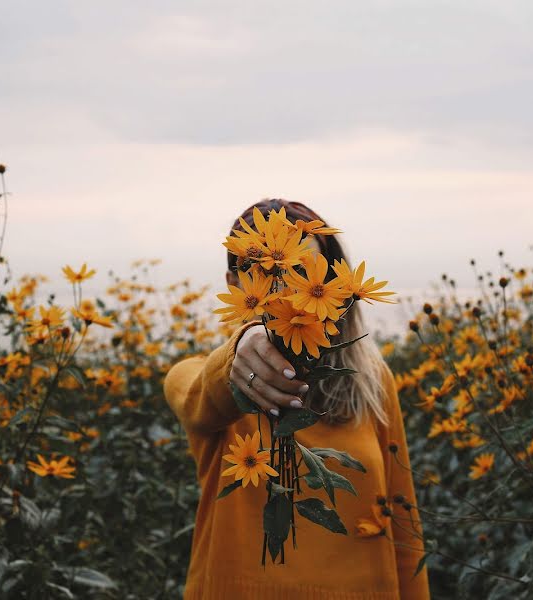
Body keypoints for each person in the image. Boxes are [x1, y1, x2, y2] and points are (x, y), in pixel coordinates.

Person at [163, 199, 429, 599]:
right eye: (266, 271)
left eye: (301, 272)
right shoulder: (220, 383)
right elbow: (189, 392)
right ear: (235, 284)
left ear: (334, 280)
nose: (286, 289)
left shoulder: (371, 380)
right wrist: (242, 350)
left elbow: (403, 516)